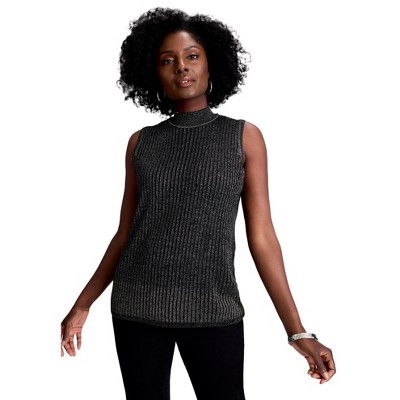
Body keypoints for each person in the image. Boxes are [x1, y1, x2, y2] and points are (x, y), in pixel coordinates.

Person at [60, 7, 336, 399]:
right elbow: (125, 234)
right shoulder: (141, 142)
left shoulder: (243, 137)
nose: (181, 67)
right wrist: (82, 305)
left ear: (211, 64)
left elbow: (262, 237)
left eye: (192, 55)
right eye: (167, 60)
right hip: (136, 307)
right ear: (153, 73)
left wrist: (297, 331)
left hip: (213, 309)